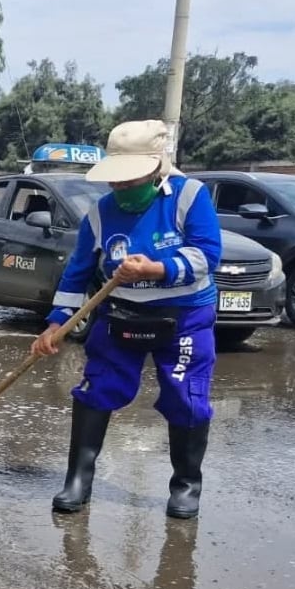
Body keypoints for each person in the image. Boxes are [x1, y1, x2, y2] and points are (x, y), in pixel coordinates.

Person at [30, 120, 221, 520]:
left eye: (129, 181)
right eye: (116, 182)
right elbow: (78, 271)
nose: (120, 189)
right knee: (97, 388)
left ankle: (186, 486)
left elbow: (208, 256)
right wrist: (56, 324)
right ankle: (78, 482)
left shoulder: (189, 197)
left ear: (156, 169)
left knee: (186, 397)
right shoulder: (100, 214)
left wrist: (156, 269)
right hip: (120, 314)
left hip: (184, 317)